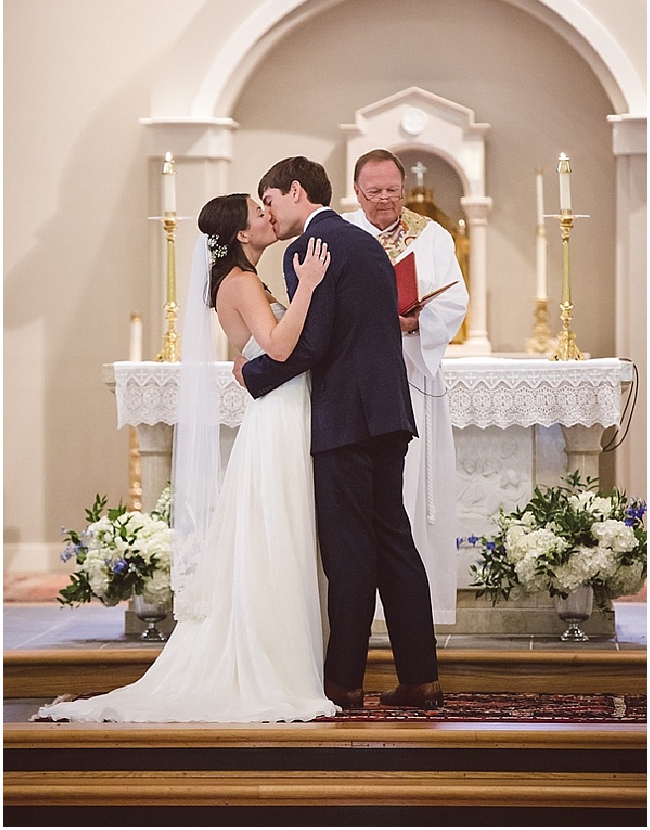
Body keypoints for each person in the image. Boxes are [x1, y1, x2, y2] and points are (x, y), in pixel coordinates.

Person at [36, 192, 338, 723]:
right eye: (258, 211)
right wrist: (310, 287)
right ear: (242, 233)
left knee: (279, 532)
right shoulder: (241, 283)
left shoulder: (243, 279)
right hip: (277, 418)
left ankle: (291, 659)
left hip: (282, 410)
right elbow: (281, 347)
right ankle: (275, 668)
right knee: (277, 532)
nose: (269, 215)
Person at [234, 155, 442, 710]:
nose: (270, 216)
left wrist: (252, 372)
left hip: (345, 419)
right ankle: (420, 677)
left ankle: (343, 680)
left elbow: (312, 343)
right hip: (387, 412)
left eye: (271, 201)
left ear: (296, 191)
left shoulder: (313, 248)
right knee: (394, 542)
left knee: (348, 550)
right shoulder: (366, 241)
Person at [343, 149, 469, 624]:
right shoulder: (344, 235)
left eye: (392, 190)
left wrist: (415, 325)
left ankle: (417, 604)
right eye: (373, 191)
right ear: (357, 193)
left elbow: (454, 299)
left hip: (412, 375)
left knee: (410, 492)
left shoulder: (430, 236)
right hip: (356, 380)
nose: (384, 200)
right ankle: (361, 606)